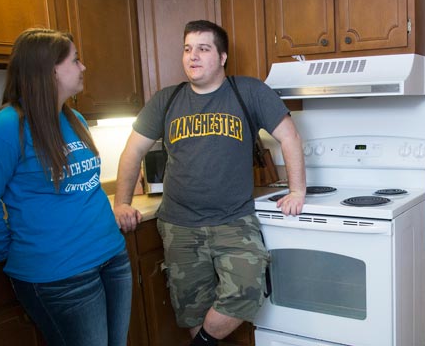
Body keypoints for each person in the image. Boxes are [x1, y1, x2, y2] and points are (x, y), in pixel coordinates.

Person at [112, 20, 306, 346]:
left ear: (223, 56)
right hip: (178, 224)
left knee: (249, 286)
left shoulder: (248, 92)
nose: (193, 56)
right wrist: (121, 202)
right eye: (188, 49)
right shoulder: (167, 100)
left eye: (203, 49)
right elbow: (133, 152)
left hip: (233, 220)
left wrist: (297, 190)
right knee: (191, 308)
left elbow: (290, 136)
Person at [0, 28, 132, 345]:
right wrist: (4, 248)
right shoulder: (5, 129)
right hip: (61, 276)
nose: (83, 67)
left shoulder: (74, 117)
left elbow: (85, 188)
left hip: (112, 257)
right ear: (51, 69)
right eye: (75, 60)